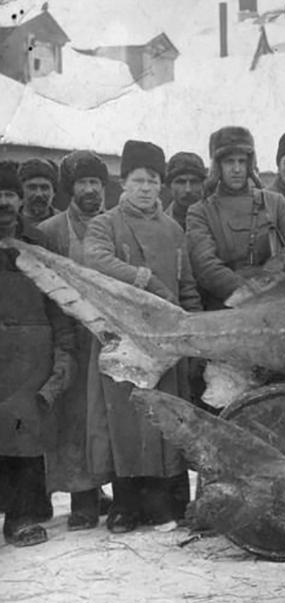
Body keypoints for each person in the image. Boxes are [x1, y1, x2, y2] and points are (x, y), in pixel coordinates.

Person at [82, 139, 202, 533]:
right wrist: (144, 278)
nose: (146, 188)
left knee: (164, 420)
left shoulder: (173, 229)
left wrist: (194, 324)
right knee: (126, 424)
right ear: (123, 183)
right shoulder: (105, 223)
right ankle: (126, 506)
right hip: (122, 342)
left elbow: (185, 284)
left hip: (165, 344)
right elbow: (94, 260)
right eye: (138, 180)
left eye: (153, 180)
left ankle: (168, 503)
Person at [0, 159, 77, 546]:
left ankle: (22, 517)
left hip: (31, 363)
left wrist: (63, 354)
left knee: (25, 438)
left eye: (9, 194)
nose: (3, 202)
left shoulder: (37, 244)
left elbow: (58, 304)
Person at [36, 150, 112, 530]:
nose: (89, 190)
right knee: (75, 418)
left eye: (95, 182)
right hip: (69, 335)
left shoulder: (114, 226)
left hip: (110, 337)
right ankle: (83, 498)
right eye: (82, 183)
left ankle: (106, 488)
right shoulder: (51, 231)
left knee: (107, 417)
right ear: (70, 189)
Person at [187, 126, 285, 309]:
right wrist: (249, 293)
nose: (237, 169)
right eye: (229, 162)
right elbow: (205, 266)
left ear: (250, 164)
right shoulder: (201, 211)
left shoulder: (274, 203)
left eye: (242, 161)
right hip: (223, 309)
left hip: (274, 304)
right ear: (218, 166)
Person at [164, 152, 208, 231]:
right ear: (169, 186)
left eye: (194, 182)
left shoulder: (215, 221)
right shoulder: (159, 225)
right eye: (181, 182)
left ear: (203, 185)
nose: (188, 189)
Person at [18, 157, 59, 226]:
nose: (38, 194)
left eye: (44, 188)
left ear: (54, 192)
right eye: (32, 187)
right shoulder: (6, 223)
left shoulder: (67, 224)